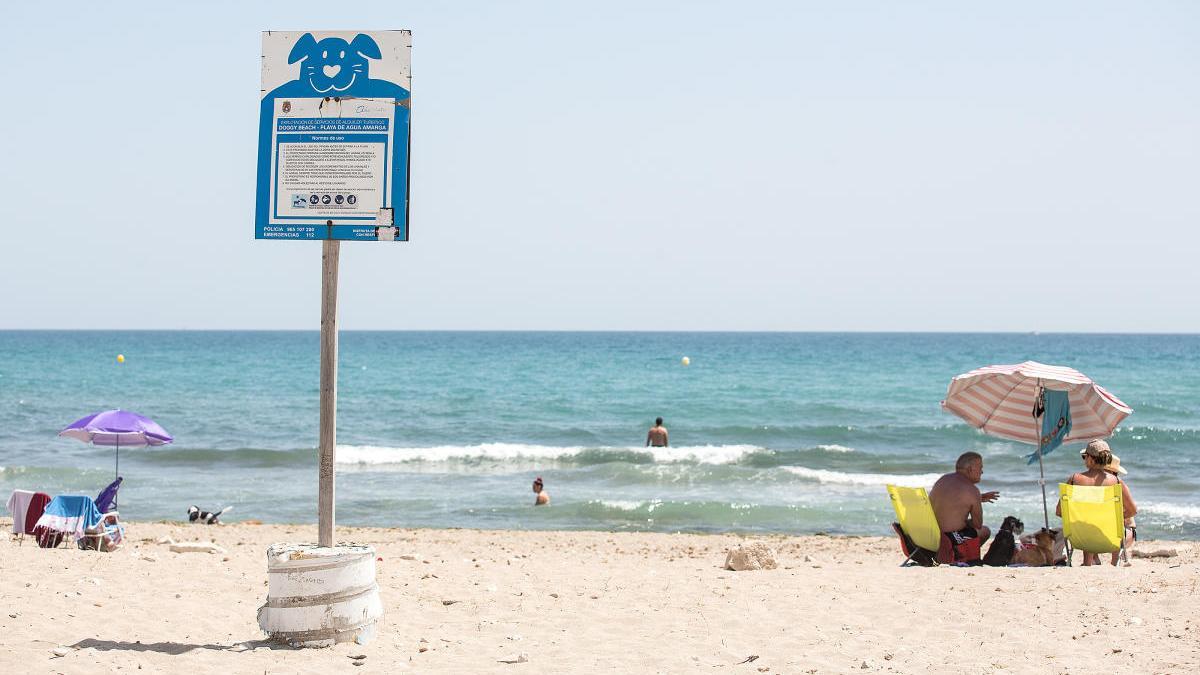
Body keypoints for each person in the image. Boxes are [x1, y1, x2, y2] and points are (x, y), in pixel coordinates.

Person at [1055, 440, 1136, 565]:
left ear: (1091, 459)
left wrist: (1082, 517)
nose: (1084, 460)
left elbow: (1059, 511)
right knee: (1105, 525)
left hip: (1080, 539)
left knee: (1087, 522)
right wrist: (1110, 519)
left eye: (1084, 457)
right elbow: (1132, 510)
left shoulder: (1074, 479)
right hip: (1110, 539)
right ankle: (1115, 562)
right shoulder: (1116, 481)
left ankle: (1087, 563)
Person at [929, 452, 999, 554]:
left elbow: (949, 502)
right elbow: (977, 524)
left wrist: (978, 499)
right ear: (970, 469)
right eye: (980, 468)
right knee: (984, 531)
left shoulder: (943, 479)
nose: (982, 472)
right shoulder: (972, 490)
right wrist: (964, 521)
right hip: (948, 540)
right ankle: (961, 555)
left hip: (931, 536)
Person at [1104, 454, 1136, 566]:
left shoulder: (1119, 484)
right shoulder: (1096, 486)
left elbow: (1131, 512)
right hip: (1107, 531)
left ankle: (1114, 560)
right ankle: (1096, 560)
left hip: (1125, 531)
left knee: (1115, 526)